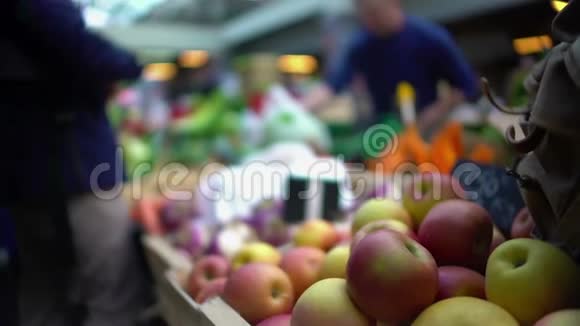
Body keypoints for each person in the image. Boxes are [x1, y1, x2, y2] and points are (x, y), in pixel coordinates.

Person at [1, 1, 150, 325]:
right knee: (111, 294)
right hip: (73, 161)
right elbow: (75, 45)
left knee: (44, 289)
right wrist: (129, 64)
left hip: (27, 165)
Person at [304, 0, 480, 131]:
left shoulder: (430, 37)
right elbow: (332, 85)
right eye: (363, 14)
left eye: (374, 12)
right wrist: (298, 109)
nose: (369, 20)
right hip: (386, 129)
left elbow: (466, 85)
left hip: (429, 125)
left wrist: (436, 112)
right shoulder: (362, 44)